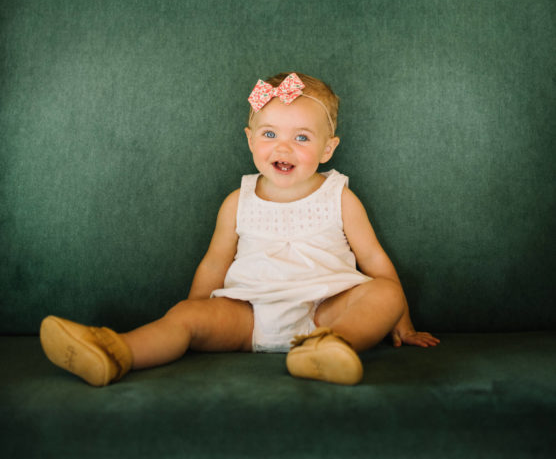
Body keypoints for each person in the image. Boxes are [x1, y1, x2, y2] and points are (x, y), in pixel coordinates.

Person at [40, 71, 439, 387]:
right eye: (270, 135)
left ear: (327, 149)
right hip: (248, 316)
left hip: (326, 310)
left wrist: (401, 321)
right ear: (250, 141)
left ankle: (332, 347)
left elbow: (373, 259)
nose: (283, 148)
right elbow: (214, 265)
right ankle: (112, 352)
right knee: (183, 318)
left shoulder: (339, 196)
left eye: (301, 137)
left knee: (383, 292)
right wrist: (197, 311)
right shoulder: (238, 200)